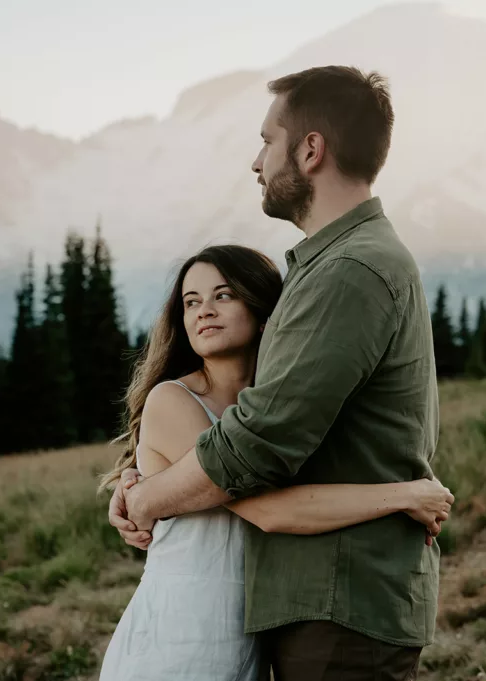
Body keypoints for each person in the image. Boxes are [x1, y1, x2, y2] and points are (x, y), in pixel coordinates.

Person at [108, 65, 448, 679]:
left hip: (339, 597)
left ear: (310, 150)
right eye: (193, 301)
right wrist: (144, 480)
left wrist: (148, 497)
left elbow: (259, 443)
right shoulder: (329, 266)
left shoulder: (348, 270)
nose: (256, 162)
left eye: (268, 141)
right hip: (309, 599)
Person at [97, 244, 453, 680]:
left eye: (223, 295)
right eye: (191, 302)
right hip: (179, 633)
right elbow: (268, 510)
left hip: (248, 638)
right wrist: (405, 496)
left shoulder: (276, 414)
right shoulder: (173, 400)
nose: (204, 310)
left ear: (263, 310)